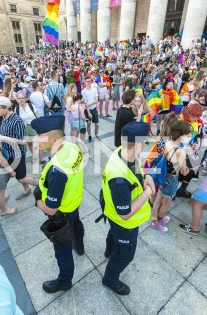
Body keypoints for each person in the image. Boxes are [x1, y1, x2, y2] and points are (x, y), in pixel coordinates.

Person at [31, 115, 85, 293]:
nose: (36, 139)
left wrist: (38, 201)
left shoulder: (57, 170)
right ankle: (80, 245)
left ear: (53, 139)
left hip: (61, 214)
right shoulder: (71, 146)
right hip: (74, 201)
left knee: (62, 250)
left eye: (40, 136)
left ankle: (64, 281)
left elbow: (51, 208)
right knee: (76, 223)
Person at [101, 121, 154, 295]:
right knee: (125, 255)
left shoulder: (122, 152)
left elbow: (136, 169)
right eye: (145, 142)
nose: (145, 145)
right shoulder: (119, 177)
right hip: (125, 223)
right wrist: (148, 192)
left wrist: (145, 176)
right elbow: (124, 214)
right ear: (138, 144)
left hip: (112, 214)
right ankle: (110, 279)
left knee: (113, 235)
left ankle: (109, 252)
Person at [150, 119, 192, 232]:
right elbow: (184, 171)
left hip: (163, 176)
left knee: (158, 199)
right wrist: (186, 159)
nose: (190, 136)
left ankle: (154, 219)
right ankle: (158, 221)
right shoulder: (181, 152)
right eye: (188, 133)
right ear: (181, 135)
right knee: (166, 203)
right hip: (172, 179)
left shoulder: (168, 142)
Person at [0, 96, 38, 199]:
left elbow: (22, 141)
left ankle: (40, 185)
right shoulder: (4, 118)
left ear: (6, 107)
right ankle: (27, 190)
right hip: (9, 153)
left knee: (21, 178)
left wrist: (2, 137)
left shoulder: (17, 120)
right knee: (18, 176)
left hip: (17, 153)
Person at [81, 77, 100, 141]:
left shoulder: (94, 89)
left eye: (89, 81)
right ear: (85, 82)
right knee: (88, 124)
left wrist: (88, 104)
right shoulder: (83, 91)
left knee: (97, 124)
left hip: (94, 109)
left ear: (91, 81)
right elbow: (85, 103)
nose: (88, 82)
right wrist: (88, 113)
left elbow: (96, 100)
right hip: (87, 110)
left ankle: (96, 135)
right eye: (87, 81)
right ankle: (89, 135)